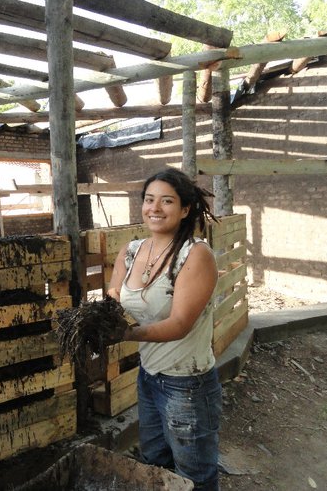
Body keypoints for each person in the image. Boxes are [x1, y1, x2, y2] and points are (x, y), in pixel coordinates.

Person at [107, 167, 221, 491]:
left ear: (185, 209)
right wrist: (103, 314)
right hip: (149, 376)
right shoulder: (131, 252)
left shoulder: (195, 255)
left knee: (194, 474)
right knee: (155, 461)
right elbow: (115, 297)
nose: (155, 208)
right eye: (149, 199)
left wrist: (125, 334)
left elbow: (180, 324)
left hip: (188, 384)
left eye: (167, 201)